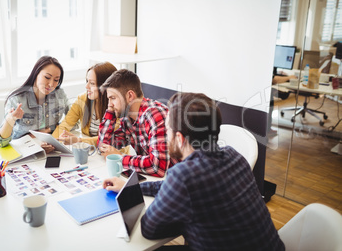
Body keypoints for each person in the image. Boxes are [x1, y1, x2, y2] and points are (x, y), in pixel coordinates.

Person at [103, 92, 285, 251]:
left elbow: (149, 228)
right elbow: (175, 187)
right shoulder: (234, 156)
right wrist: (131, 187)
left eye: (167, 130)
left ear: (180, 139)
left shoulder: (183, 176)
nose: (165, 136)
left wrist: (182, 218)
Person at [97, 69, 178, 177]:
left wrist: (120, 157)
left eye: (113, 98)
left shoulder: (154, 115)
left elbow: (158, 167)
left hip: (178, 181)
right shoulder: (126, 119)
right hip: (155, 180)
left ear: (130, 96)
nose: (110, 105)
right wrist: (110, 114)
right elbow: (104, 148)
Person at [0, 56, 70, 153]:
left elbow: (74, 120)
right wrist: (11, 119)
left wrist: (50, 134)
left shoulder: (59, 94)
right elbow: (1, 143)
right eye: (47, 77)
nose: (51, 84)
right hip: (23, 152)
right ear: (36, 73)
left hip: (51, 151)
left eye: (56, 80)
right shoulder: (16, 99)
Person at [52, 62, 119, 146]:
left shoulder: (119, 106)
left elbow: (109, 138)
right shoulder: (82, 99)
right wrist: (52, 142)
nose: (87, 86)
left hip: (112, 153)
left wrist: (79, 140)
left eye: (92, 83)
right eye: (87, 81)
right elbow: (64, 125)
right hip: (89, 151)